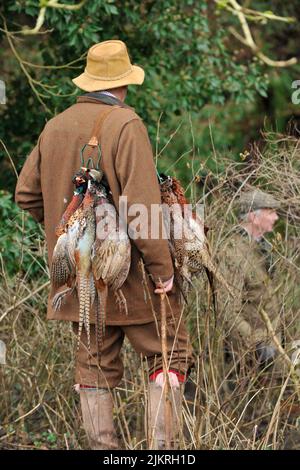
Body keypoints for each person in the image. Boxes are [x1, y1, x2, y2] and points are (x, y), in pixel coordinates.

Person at [15, 40, 194, 450]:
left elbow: (26, 194)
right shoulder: (125, 124)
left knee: (92, 367)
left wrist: (71, 235)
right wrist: (163, 271)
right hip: (130, 275)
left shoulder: (55, 125)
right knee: (169, 356)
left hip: (79, 275)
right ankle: (161, 455)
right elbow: (141, 206)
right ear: (126, 82)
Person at [217, 188, 282, 369]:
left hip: (272, 341)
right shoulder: (232, 253)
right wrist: (256, 343)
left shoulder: (264, 247)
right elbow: (228, 309)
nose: (276, 217)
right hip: (247, 355)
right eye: (271, 212)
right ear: (253, 217)